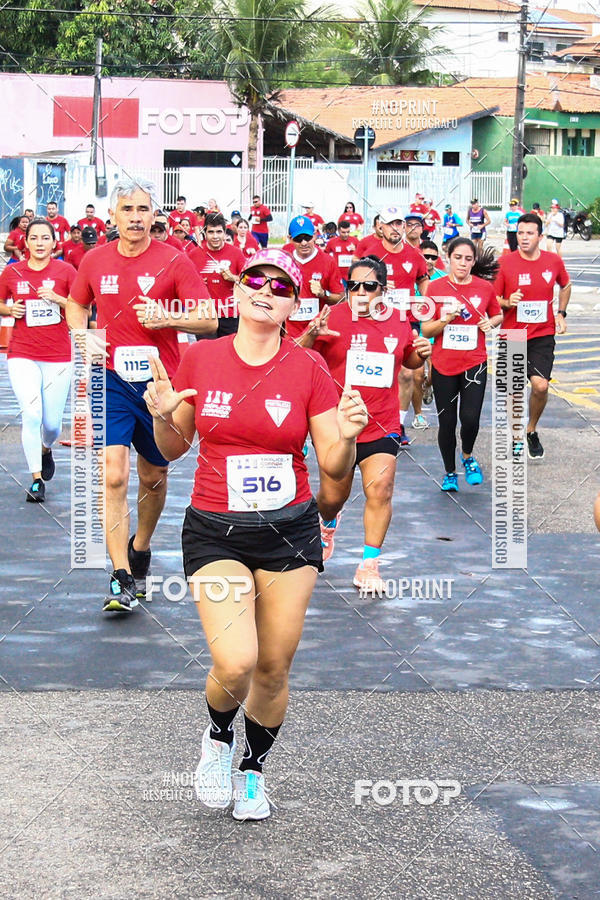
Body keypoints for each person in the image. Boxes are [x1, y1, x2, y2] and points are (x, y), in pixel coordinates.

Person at [143, 247, 367, 820]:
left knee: (272, 666)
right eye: (253, 280)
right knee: (237, 659)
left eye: (280, 285)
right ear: (237, 290)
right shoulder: (201, 357)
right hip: (215, 529)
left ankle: (253, 772)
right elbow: (173, 449)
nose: (264, 289)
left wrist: (345, 435)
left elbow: (334, 468)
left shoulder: (308, 368)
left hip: (290, 532)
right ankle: (217, 740)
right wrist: (165, 413)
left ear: (294, 304)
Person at [65, 177, 216, 613]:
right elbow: (77, 304)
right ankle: (119, 575)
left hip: (159, 384)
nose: (135, 218)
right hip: (110, 379)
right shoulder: (95, 260)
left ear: (155, 216)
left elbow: (208, 321)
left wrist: (167, 317)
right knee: (113, 474)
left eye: (143, 210)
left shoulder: (175, 260)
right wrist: (82, 337)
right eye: (127, 210)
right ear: (113, 215)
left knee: (154, 475)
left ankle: (141, 548)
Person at [299, 255, 432, 593]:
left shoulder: (398, 321)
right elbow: (295, 357)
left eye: (368, 286)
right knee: (332, 498)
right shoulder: (332, 316)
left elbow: (408, 358)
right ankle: (327, 524)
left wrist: (421, 352)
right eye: (352, 285)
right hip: (338, 424)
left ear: (383, 290)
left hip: (381, 421)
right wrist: (312, 335)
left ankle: (369, 565)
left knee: (381, 489)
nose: (359, 292)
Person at [0, 217, 76, 502]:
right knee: (31, 415)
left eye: (46, 238)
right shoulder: (13, 272)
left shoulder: (66, 271)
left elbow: (83, 307)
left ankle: (46, 448)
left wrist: (58, 299)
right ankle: (35, 480)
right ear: (26, 242)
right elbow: (1, 303)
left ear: (54, 242)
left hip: (58, 356)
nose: (40, 243)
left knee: (52, 423)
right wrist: (10, 309)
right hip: (22, 354)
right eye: (35, 238)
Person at [421, 239, 502, 491]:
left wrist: (492, 323)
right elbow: (426, 328)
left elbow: (497, 313)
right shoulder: (435, 288)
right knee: (447, 423)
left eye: (468, 259)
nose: (463, 264)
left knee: (470, 419)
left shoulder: (484, 288)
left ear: (473, 262)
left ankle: (467, 456)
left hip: (474, 363)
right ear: (448, 258)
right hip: (444, 364)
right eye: (458, 258)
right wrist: (446, 319)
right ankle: (449, 472)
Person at [494, 212, 570, 460]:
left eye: (529, 233)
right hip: (513, 334)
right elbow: (493, 300)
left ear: (540, 236)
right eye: (520, 233)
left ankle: (531, 429)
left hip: (542, 334)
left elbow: (566, 285)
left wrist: (561, 313)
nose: (524, 238)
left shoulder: (553, 261)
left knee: (540, 385)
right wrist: (507, 301)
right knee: (514, 391)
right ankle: (516, 435)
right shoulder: (505, 263)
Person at [352, 205, 429, 446]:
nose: (396, 229)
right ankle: (368, 418)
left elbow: (423, 280)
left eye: (399, 224)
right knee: (377, 370)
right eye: (390, 224)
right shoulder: (370, 254)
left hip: (404, 320)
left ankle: (399, 423)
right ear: (380, 227)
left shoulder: (414, 254)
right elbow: (356, 285)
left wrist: (424, 304)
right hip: (375, 320)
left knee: (406, 372)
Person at [282, 215, 344, 341]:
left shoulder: (328, 261)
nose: (304, 243)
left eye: (307, 237)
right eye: (298, 238)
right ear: (290, 239)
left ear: (315, 235)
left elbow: (341, 298)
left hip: (317, 334)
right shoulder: (284, 259)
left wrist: (323, 293)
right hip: (290, 334)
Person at [189, 212, 246, 337]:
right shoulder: (193, 255)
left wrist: (234, 278)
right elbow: (184, 284)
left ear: (225, 232)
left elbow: (251, 282)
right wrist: (196, 284)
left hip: (230, 315)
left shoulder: (236, 254)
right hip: (205, 315)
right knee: (206, 354)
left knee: (228, 354)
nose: (215, 236)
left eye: (219, 232)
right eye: (211, 232)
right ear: (205, 233)